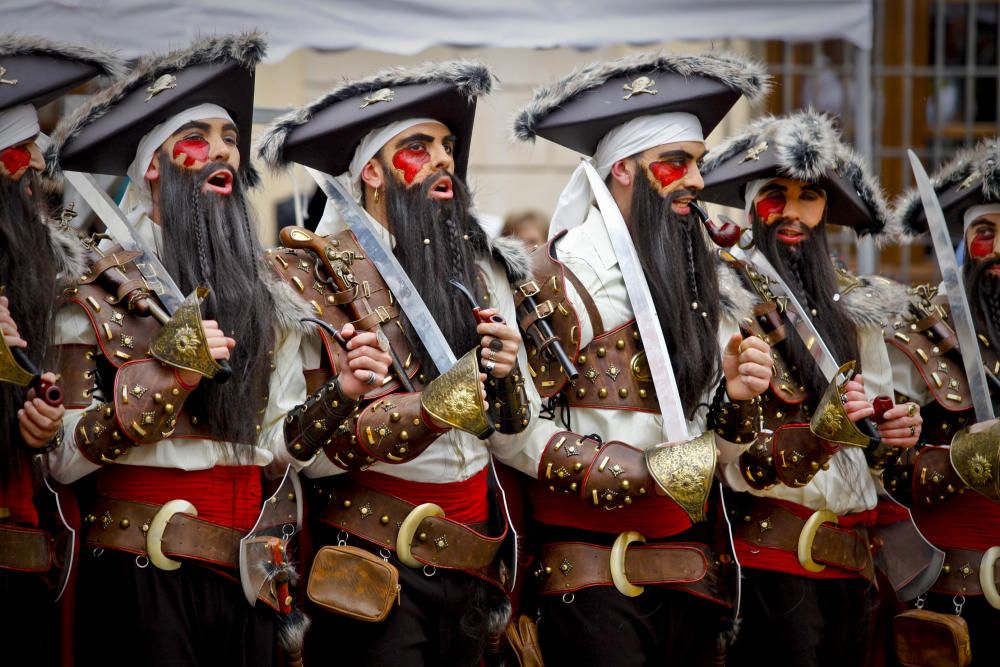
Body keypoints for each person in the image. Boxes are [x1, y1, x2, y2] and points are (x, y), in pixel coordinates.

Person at [44, 33, 389, 666]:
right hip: (143, 568)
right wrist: (166, 376)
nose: (224, 151)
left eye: (231, 139)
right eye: (200, 137)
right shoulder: (90, 283)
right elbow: (61, 460)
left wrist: (341, 395)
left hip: (255, 571)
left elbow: (280, 450)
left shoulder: (272, 290)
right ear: (153, 165)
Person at [497, 52, 774, 666]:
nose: (697, 181)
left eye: (698, 164)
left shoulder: (708, 278)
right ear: (622, 169)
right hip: (590, 581)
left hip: (692, 574)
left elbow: (715, 453)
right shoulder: (558, 277)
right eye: (674, 164)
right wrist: (631, 473)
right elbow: (509, 428)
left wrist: (738, 399)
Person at [257, 60, 532, 666]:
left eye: (446, 146)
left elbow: (511, 437)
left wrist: (508, 380)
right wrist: (348, 394)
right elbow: (283, 449)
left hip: (473, 562)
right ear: (373, 173)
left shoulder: (483, 273)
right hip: (368, 564)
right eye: (418, 146)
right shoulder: (303, 278)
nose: (442, 160)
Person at [698, 110, 927, 667]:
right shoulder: (721, 291)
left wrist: (896, 431)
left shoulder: (859, 306)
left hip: (855, 565)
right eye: (777, 194)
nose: (794, 213)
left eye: (810, 196)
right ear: (752, 203)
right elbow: (721, 449)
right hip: (770, 563)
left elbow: (876, 440)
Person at [0, 34, 120, 666]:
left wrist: (39, 426)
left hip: (24, 534)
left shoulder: (51, 276)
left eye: (32, 159)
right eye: (14, 159)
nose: (31, 174)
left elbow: (57, 435)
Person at [884, 137, 1000, 667]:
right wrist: (961, 460)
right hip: (954, 595)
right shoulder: (920, 333)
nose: (998, 249)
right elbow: (886, 469)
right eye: (985, 233)